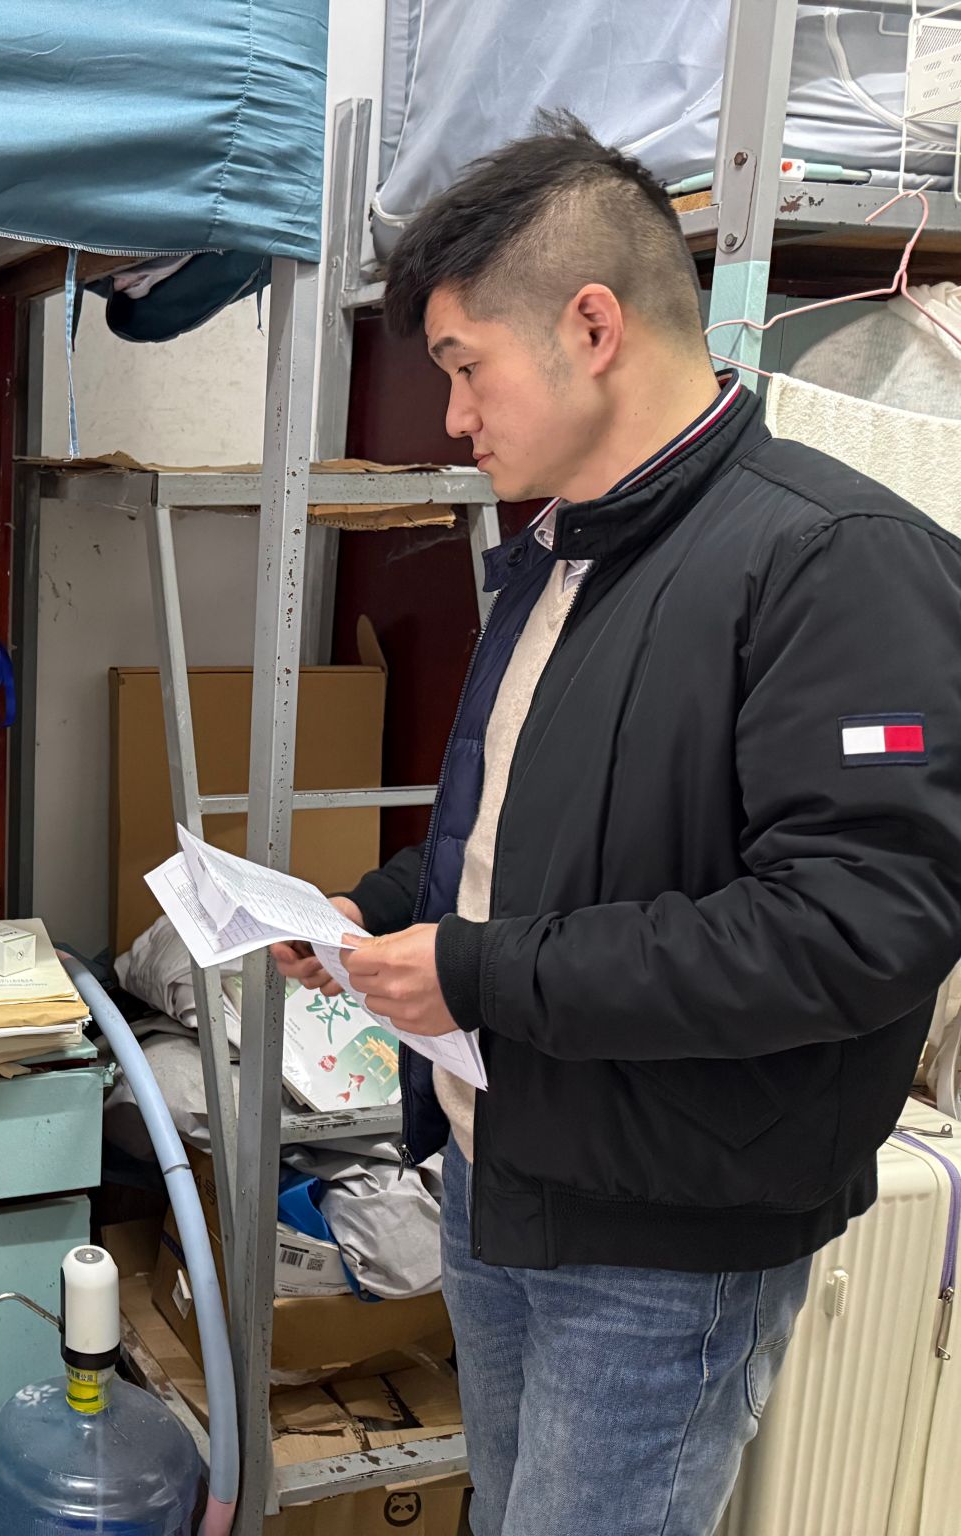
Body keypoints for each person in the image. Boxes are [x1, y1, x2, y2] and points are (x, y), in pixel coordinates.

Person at [275, 115, 961, 1536]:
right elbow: (526, 822)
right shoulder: (562, 552)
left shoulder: (837, 563)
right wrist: (378, 909)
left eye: (464, 366)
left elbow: (855, 930)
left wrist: (474, 973)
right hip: (502, 1167)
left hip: (665, 1238)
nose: (452, 418)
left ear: (591, 327)